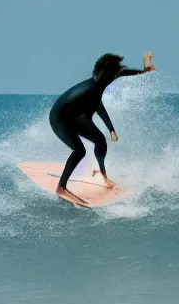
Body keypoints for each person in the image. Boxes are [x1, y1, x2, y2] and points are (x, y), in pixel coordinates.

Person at [49, 52, 156, 206]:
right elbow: (94, 110)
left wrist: (143, 71)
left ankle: (104, 177)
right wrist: (109, 127)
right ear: (106, 74)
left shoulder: (102, 82)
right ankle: (61, 187)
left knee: (100, 140)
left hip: (72, 116)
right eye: (115, 73)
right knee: (79, 150)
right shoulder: (90, 89)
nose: (117, 75)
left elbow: (122, 74)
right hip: (59, 118)